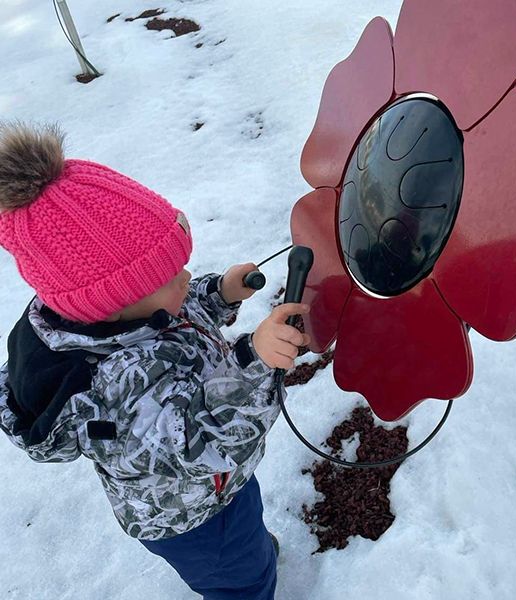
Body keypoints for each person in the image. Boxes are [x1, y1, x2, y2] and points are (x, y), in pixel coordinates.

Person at [0, 122, 310, 600]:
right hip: (192, 518)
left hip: (220, 488)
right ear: (114, 299)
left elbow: (172, 318)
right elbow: (202, 439)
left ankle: (252, 553)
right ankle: (247, 579)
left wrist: (219, 294)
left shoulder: (125, 315)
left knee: (247, 530)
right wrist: (256, 362)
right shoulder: (111, 389)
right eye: (171, 274)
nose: (186, 275)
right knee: (240, 581)